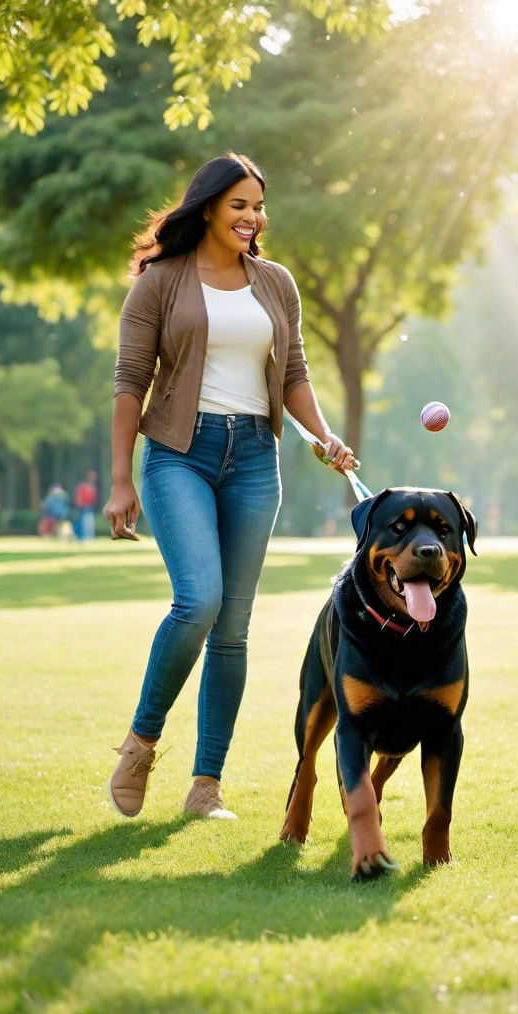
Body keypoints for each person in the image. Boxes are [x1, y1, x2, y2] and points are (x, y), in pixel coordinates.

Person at [104, 153, 355, 821]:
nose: (252, 217)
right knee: (199, 601)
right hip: (178, 454)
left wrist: (324, 437)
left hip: (253, 459)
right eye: (239, 204)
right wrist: (120, 480)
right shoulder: (159, 282)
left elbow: (294, 372)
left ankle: (205, 786)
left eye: (258, 206)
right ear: (209, 206)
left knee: (234, 629)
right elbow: (130, 382)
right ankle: (140, 742)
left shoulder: (275, 283)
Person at [73, 470, 99, 541]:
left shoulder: (93, 488)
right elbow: (79, 498)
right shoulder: (82, 486)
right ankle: (83, 537)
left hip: (89, 507)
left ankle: (89, 537)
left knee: (89, 523)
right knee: (83, 523)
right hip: (82, 508)